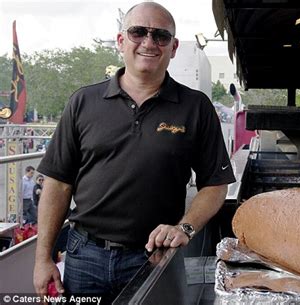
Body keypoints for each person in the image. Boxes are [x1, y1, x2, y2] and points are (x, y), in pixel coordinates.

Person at [33, 1, 235, 303]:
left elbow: (216, 184)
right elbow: (58, 183)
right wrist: (42, 258)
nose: (149, 43)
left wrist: (185, 227)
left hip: (153, 258)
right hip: (84, 257)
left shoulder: (196, 107)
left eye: (160, 36)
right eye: (138, 32)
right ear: (121, 41)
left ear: (174, 47)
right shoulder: (83, 102)